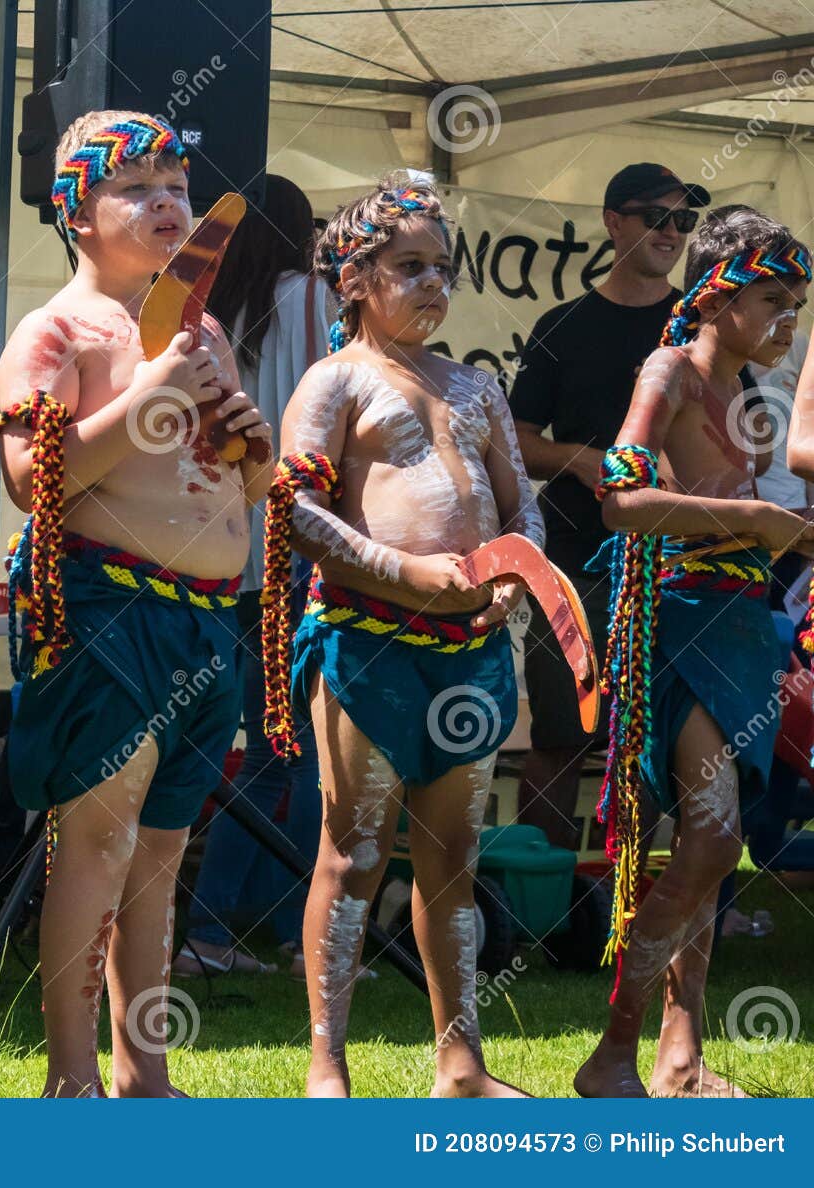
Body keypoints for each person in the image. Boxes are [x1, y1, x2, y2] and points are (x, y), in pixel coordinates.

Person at [0, 111, 274, 1096]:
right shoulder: (55, 330)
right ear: (76, 211)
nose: (167, 201)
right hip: (111, 608)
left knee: (160, 849)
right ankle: (70, 1080)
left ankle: (142, 1073)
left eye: (176, 182)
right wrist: (152, 391)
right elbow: (34, 480)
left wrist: (253, 451)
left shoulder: (203, 333)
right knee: (100, 841)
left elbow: (240, 489)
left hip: (205, 618)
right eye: (136, 185)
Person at [275, 173, 543, 1097]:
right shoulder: (335, 379)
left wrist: (517, 567)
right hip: (367, 640)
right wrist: (408, 574)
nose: (434, 284)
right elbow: (297, 508)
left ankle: (461, 1064)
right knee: (350, 855)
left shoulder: (475, 387)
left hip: (470, 651)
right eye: (410, 267)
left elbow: (524, 505)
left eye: (443, 267)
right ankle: (325, 1063)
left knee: (452, 864)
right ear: (355, 278)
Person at [576, 205, 810, 1098]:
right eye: (773, 300)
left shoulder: (746, 389)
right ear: (717, 297)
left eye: (797, 303)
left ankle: (679, 1056)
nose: (789, 320)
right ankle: (611, 1056)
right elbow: (619, 498)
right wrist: (754, 519)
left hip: (742, 620)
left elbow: (738, 518)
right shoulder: (669, 366)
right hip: (680, 620)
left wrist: (785, 537)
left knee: (716, 846)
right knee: (710, 839)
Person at [509, 163, 712, 853]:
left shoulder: (701, 328)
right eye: (657, 217)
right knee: (562, 736)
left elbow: (738, 440)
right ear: (613, 221)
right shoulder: (562, 327)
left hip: (675, 566)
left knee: (649, 740)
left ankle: (628, 901)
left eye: (684, 221)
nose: (673, 232)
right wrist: (588, 462)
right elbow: (516, 443)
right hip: (574, 562)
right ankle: (538, 911)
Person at [173, 174, 333, 978]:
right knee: (304, 754)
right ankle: (281, 927)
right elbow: (323, 420)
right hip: (300, 547)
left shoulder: (206, 314)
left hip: (230, 551)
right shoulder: (312, 295)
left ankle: (215, 928)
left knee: (250, 751)